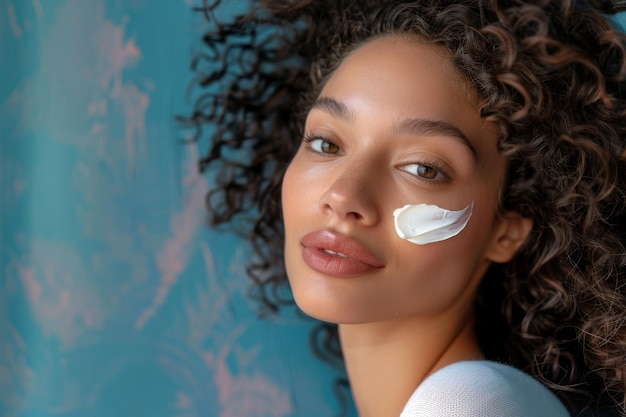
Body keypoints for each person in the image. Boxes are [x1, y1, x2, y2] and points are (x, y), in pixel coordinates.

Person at [184, 0, 626, 415]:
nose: (343, 196)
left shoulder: (465, 406)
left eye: (422, 168)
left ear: (506, 230)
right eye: (326, 143)